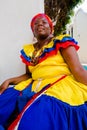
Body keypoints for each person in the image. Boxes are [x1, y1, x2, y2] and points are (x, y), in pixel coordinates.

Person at [0, 13, 87, 130]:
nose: (40, 24)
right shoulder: (29, 51)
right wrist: (9, 80)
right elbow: (29, 75)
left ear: (51, 28)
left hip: (59, 85)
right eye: (36, 24)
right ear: (33, 31)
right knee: (4, 100)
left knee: (39, 116)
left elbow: (78, 70)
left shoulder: (62, 42)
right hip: (34, 84)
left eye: (44, 22)